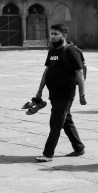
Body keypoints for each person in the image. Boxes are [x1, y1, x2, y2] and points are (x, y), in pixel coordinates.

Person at [34, 24, 86, 162]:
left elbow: (79, 73)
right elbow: (47, 71)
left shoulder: (70, 51)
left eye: (56, 34)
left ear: (64, 35)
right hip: (54, 93)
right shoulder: (52, 51)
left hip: (65, 93)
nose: (52, 36)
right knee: (66, 121)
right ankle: (79, 147)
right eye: (51, 33)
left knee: (55, 123)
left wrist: (82, 94)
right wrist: (39, 91)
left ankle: (47, 153)